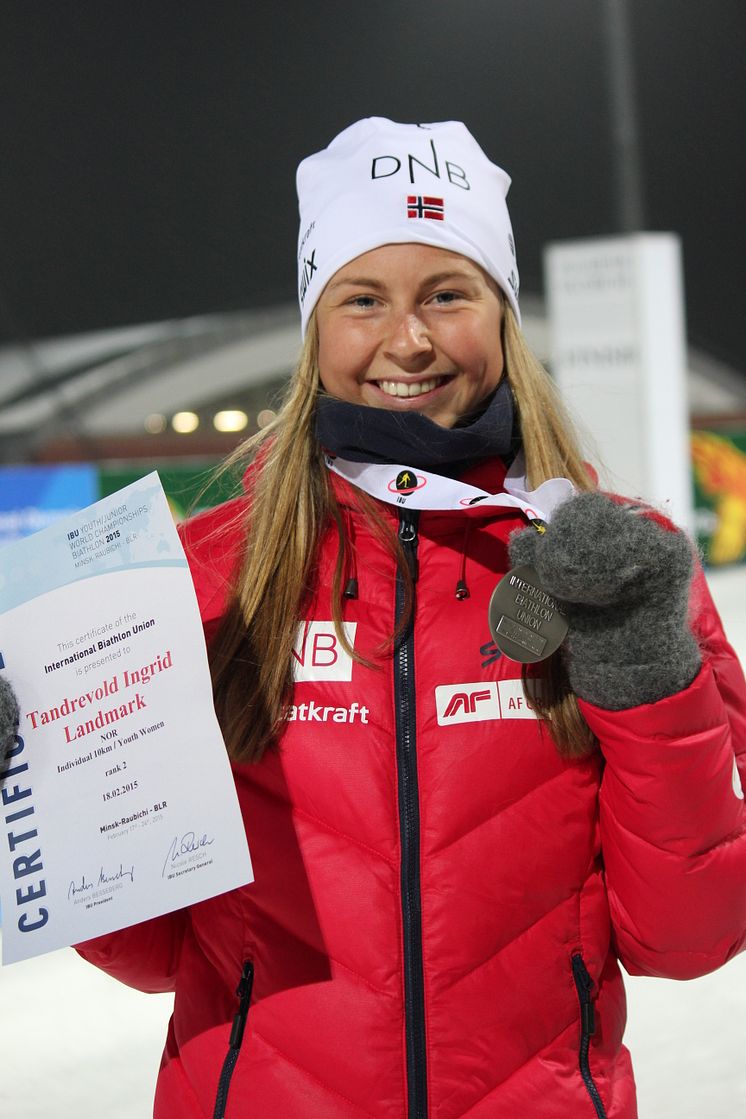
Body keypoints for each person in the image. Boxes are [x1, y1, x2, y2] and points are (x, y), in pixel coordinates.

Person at [7, 118, 746, 1118]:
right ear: (317, 327)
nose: (408, 340)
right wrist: (44, 781)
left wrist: (643, 674)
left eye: (447, 293)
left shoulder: (615, 570)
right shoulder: (195, 579)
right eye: (363, 300)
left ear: (502, 316)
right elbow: (149, 954)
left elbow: (688, 936)